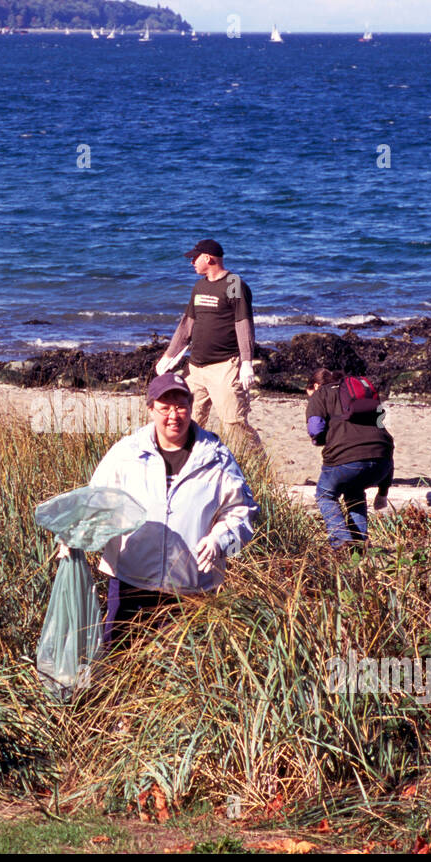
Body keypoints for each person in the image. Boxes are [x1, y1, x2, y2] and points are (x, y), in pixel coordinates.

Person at [83, 372, 257, 652]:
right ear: (151, 409)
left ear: (191, 406)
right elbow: (95, 502)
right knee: (118, 665)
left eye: (181, 406)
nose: (173, 415)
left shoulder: (217, 456)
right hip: (130, 582)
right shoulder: (126, 453)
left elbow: (243, 513)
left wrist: (221, 542)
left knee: (185, 672)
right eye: (164, 407)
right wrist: (73, 537)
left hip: (192, 588)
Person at [153, 238, 264, 455]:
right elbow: (187, 324)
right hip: (195, 368)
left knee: (234, 423)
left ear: (208, 258)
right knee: (187, 420)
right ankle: (188, 464)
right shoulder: (200, 286)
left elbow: (243, 324)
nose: (192, 262)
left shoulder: (233, 284)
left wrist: (247, 362)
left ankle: (257, 471)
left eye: (195, 258)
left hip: (225, 366)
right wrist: (169, 356)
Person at [305, 369, 394, 548]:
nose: (309, 398)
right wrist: (383, 493)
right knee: (355, 492)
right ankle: (360, 545)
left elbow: (315, 428)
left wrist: (321, 440)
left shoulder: (321, 394)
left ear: (315, 386)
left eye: (308, 395)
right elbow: (379, 422)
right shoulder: (359, 393)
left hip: (346, 457)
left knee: (325, 495)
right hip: (383, 458)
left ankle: (341, 541)